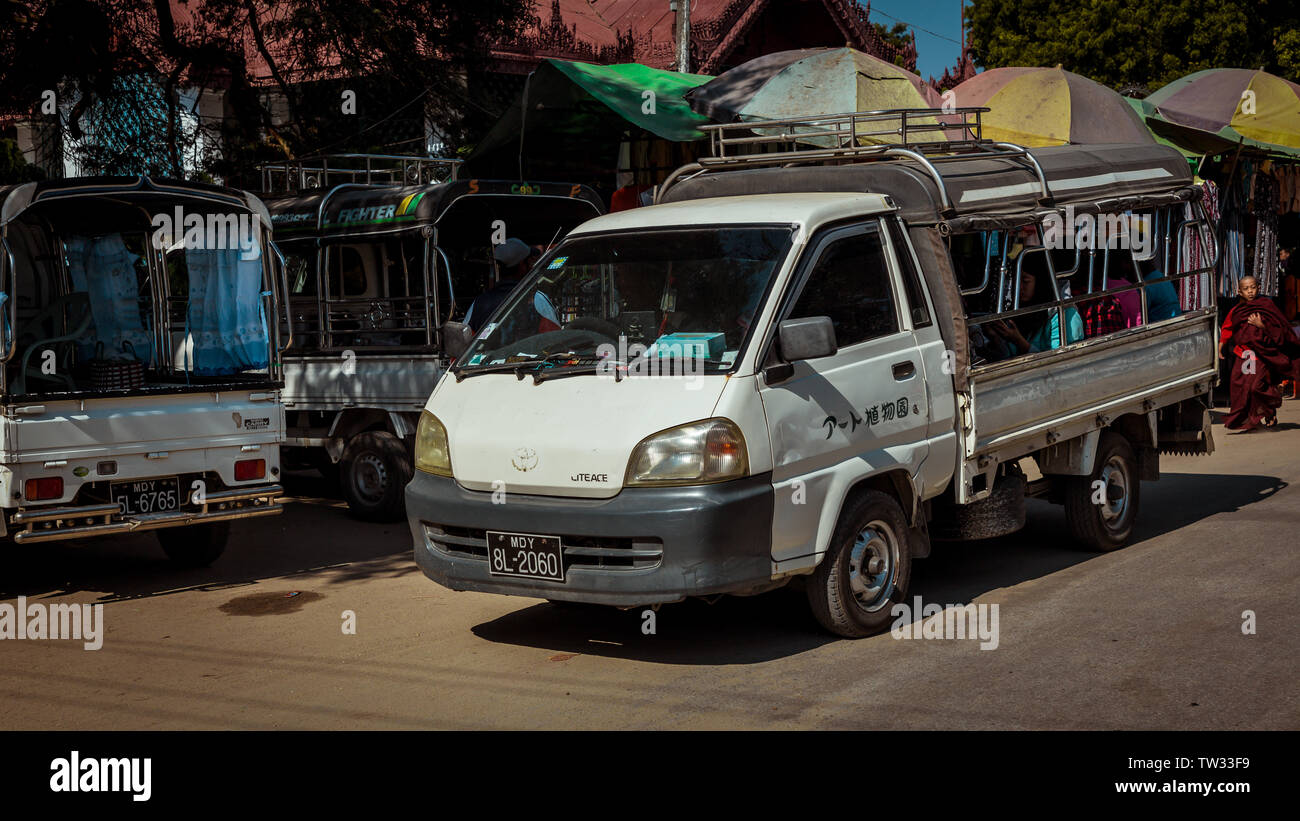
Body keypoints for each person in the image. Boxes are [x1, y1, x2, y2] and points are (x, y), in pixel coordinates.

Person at [1219, 275, 1300, 431]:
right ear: (1239, 292)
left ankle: (1271, 405)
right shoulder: (1237, 310)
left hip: (1262, 354)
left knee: (1256, 386)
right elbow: (1228, 326)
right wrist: (1221, 344)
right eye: (1246, 289)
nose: (1250, 291)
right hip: (1244, 353)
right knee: (1239, 386)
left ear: (1258, 287)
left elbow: (1281, 329)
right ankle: (1248, 420)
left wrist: (1262, 325)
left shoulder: (1266, 305)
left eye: (1253, 287)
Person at [463, 238, 559, 337]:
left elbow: (464, 340)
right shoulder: (537, 299)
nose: (531, 265)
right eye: (529, 261)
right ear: (522, 265)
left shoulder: (479, 303)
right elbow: (554, 340)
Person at [985, 264, 1084, 356]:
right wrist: (996, 338)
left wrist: (1019, 341)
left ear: (1040, 282)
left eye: (1025, 281)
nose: (1019, 287)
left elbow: (1058, 361)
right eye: (1016, 280)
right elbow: (1009, 357)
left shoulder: (1066, 315)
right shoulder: (1021, 311)